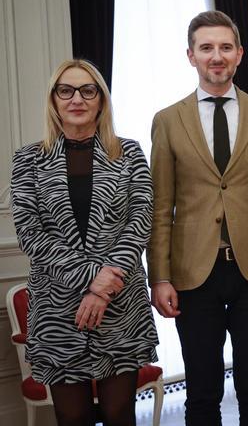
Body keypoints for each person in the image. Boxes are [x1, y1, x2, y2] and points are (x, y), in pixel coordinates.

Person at [147, 10, 248, 425]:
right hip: (192, 274)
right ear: (191, 56)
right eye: (207, 48)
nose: (217, 56)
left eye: (225, 47)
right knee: (202, 389)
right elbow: (161, 206)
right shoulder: (167, 120)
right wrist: (159, 276)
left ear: (239, 55)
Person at [10, 59, 158, 426]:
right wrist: (92, 279)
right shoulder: (28, 159)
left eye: (87, 90)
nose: (77, 98)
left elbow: (140, 220)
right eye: (66, 90)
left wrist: (104, 288)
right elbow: (31, 233)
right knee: (71, 416)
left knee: (118, 412)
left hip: (120, 303)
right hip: (58, 306)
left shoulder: (130, 152)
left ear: (101, 100)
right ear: (54, 100)